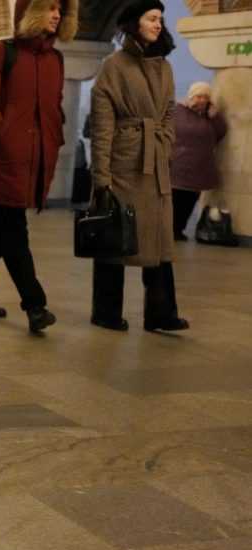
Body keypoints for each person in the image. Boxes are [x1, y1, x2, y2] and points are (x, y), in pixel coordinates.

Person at [0, 0, 75, 334]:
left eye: (60, 10)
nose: (56, 15)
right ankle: (35, 304)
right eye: (50, 8)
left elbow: (54, 107)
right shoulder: (0, 52)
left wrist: (54, 137)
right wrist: (8, 136)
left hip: (36, 160)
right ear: (30, 12)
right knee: (13, 229)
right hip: (3, 159)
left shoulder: (56, 59)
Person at [89, 0, 189, 333]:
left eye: (161, 19)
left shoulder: (164, 65)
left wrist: (167, 139)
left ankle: (161, 312)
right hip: (125, 162)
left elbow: (170, 110)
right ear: (134, 23)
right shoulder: (113, 66)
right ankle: (105, 311)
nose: (158, 24)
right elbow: (102, 125)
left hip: (156, 159)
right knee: (115, 235)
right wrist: (101, 175)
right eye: (151, 18)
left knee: (159, 238)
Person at [170, 81, 227, 241]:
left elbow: (221, 132)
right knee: (174, 200)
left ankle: (178, 230)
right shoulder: (178, 111)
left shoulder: (211, 116)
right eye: (199, 96)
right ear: (191, 96)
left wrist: (214, 117)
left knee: (189, 202)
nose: (202, 100)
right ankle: (169, 230)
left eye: (205, 97)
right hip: (177, 165)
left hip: (200, 167)